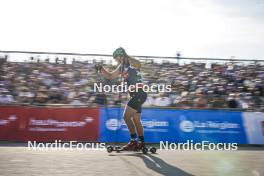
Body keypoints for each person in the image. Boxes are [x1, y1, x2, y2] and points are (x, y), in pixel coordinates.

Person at [95, 47, 147, 150]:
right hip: (135, 95)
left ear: (121, 56)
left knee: (126, 117)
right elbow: (110, 76)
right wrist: (101, 69)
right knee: (136, 120)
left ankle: (133, 141)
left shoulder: (131, 63)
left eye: (116, 58)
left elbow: (139, 64)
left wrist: (127, 57)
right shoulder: (121, 67)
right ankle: (141, 143)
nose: (116, 60)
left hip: (139, 94)